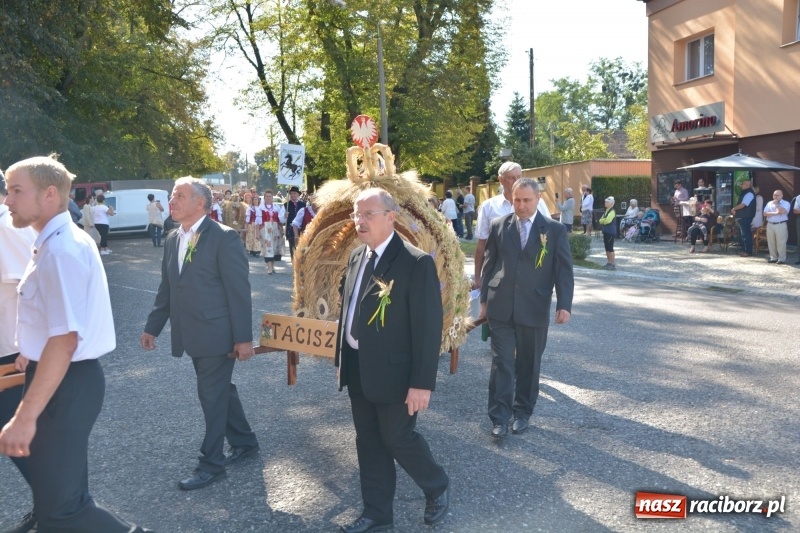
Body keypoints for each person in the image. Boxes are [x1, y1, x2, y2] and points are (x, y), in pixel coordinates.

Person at [0, 156, 151, 532]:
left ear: (49, 194)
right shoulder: (53, 243)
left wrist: (24, 417)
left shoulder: (61, 250)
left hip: (66, 381)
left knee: (63, 512)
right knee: (61, 507)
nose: (7, 199)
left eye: (16, 191)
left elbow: (65, 340)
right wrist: (30, 349)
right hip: (62, 377)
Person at [335, 188, 450, 532]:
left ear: (391, 217)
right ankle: (377, 513)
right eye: (357, 214)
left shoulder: (415, 263)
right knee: (368, 442)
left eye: (368, 214)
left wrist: (422, 384)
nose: (360, 221)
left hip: (396, 373)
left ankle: (437, 484)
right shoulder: (357, 256)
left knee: (397, 438)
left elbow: (427, 329)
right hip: (358, 367)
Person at [141, 177, 259, 491]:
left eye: (180, 196)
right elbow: (168, 288)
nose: (172, 201)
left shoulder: (224, 237)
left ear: (200, 203)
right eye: (172, 196)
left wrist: (243, 338)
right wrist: (153, 327)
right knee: (219, 390)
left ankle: (211, 465)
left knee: (212, 396)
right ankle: (245, 441)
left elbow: (239, 292)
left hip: (217, 334)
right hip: (190, 333)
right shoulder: (172, 239)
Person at [479, 177, 573, 438]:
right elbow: (490, 265)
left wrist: (564, 304)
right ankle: (499, 417)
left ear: (538, 199)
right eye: (517, 200)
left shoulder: (554, 230)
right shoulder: (499, 226)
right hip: (500, 305)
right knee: (502, 361)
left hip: (534, 306)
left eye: (526, 200)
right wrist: (483, 300)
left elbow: (563, 270)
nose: (520, 205)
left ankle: (522, 412)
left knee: (529, 364)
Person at [0, 169, 37, 533]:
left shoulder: (7, 227)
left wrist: (28, 346)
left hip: (13, 353)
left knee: (19, 436)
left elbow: (33, 286)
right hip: (10, 348)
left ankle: (56, 507)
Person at [473, 162, 522, 288]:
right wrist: (477, 277)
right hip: (498, 273)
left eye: (519, 177)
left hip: (527, 273)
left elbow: (547, 236)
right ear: (501, 180)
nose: (516, 181)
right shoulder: (489, 207)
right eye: (511, 178)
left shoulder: (537, 203)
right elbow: (482, 244)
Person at [259, 190, 285, 275]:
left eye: (270, 196)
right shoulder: (261, 207)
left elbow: (281, 219)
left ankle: (273, 266)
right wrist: (258, 231)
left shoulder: (277, 207)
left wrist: (282, 228)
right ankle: (269, 268)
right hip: (265, 228)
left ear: (272, 197)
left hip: (276, 228)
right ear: (264, 197)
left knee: (275, 247)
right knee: (268, 247)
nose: (268, 198)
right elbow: (258, 220)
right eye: (266, 196)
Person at [763, 190, 791, 264]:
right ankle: (773, 258)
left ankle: (781, 259)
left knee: (781, 242)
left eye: (777, 195)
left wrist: (777, 205)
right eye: (774, 195)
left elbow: (782, 211)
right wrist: (776, 213)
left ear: (782, 196)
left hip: (780, 224)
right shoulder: (769, 203)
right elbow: (765, 213)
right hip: (770, 224)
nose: (775, 197)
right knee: (771, 242)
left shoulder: (786, 203)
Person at [730, 179, 756, 257]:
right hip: (743, 216)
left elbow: (743, 204)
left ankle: (748, 251)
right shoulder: (745, 193)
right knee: (744, 235)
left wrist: (734, 209)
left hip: (746, 217)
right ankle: (745, 250)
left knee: (746, 234)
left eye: (743, 184)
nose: (741, 185)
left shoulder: (749, 194)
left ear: (747, 185)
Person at [285, 186, 306, 260]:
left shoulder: (303, 205)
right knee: (293, 248)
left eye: (294, 193)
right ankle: (294, 264)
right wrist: (284, 216)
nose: (292, 195)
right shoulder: (286, 205)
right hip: (290, 230)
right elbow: (282, 220)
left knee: (302, 249)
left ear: (298, 194)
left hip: (301, 230)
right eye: (291, 193)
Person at [598, 196, 617, 270]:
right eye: (605, 202)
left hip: (610, 231)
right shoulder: (606, 211)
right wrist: (603, 220)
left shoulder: (612, 211)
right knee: (606, 248)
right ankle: (609, 262)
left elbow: (607, 221)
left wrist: (603, 220)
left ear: (611, 203)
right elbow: (600, 220)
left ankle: (612, 263)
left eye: (607, 202)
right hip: (606, 231)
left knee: (610, 248)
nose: (605, 203)